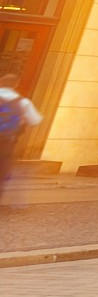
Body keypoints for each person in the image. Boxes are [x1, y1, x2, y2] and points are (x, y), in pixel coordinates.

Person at [0, 71, 41, 209]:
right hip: (7, 141)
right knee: (2, 169)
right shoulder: (23, 102)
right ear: (16, 85)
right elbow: (35, 120)